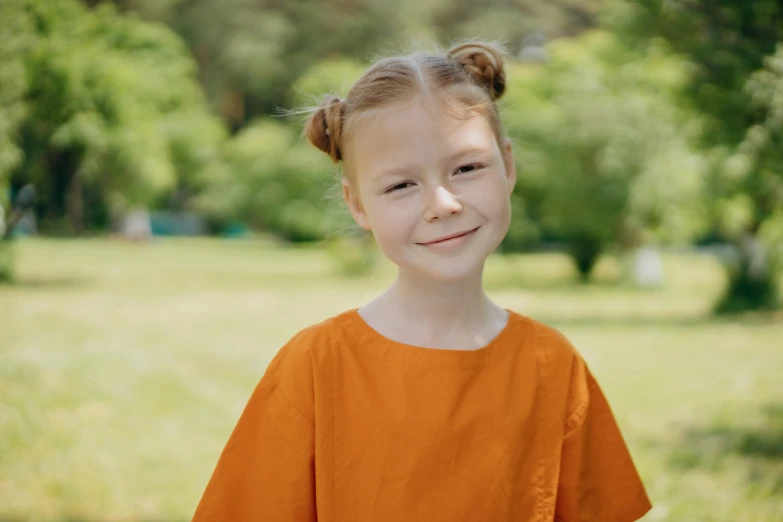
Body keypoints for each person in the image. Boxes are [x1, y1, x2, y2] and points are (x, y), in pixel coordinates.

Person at [192, 42, 652, 522]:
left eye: (467, 168)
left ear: (508, 166)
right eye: (400, 185)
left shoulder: (552, 365)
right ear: (358, 205)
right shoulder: (315, 366)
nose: (442, 203)